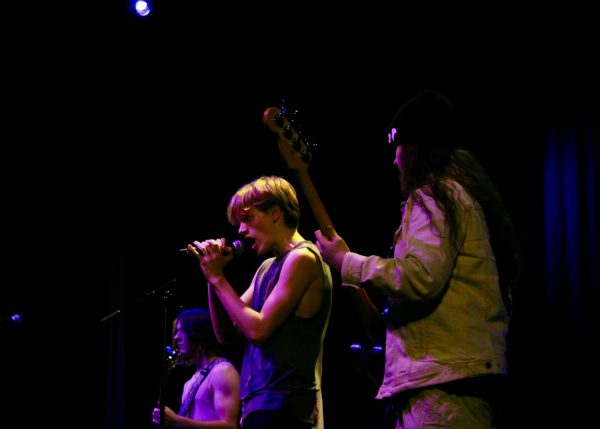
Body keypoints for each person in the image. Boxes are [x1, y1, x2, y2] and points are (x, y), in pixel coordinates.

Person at [314, 89, 520, 428]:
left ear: (416, 151)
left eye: (399, 148)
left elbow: (419, 276)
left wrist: (346, 261)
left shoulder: (436, 197)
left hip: (440, 389)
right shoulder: (465, 196)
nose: (394, 160)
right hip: (457, 381)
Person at [186, 175, 333, 429]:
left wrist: (218, 278)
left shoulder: (304, 258)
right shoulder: (266, 267)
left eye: (248, 218)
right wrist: (212, 278)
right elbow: (227, 334)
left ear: (275, 213)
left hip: (286, 407)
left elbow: (258, 329)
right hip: (260, 406)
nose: (241, 230)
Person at [151, 307, 241, 429]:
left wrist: (177, 421)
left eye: (181, 330)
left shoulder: (222, 371)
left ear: (197, 333)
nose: (176, 338)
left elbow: (230, 426)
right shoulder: (190, 381)